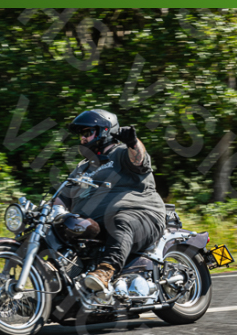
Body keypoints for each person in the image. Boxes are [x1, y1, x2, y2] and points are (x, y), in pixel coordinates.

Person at [53, 109, 166, 292]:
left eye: (87, 132)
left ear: (104, 131)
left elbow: (139, 160)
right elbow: (62, 197)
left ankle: (106, 271)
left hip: (141, 215)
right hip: (98, 226)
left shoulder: (120, 153)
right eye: (81, 134)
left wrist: (133, 142)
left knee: (119, 220)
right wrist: (49, 214)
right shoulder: (82, 168)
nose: (83, 139)